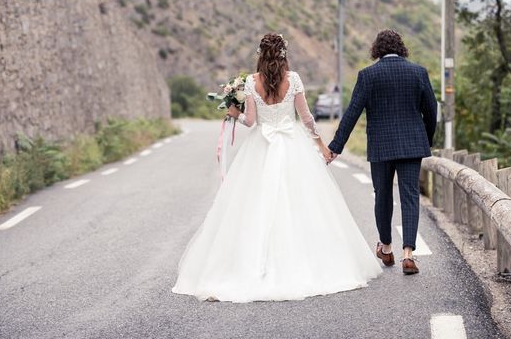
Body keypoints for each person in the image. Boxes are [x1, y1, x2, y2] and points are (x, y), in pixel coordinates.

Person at [172, 33, 381, 302]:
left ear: (260, 54)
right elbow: (306, 117)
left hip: (261, 145)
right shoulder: (292, 79)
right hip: (293, 144)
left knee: (253, 206)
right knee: (303, 204)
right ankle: (306, 263)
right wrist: (321, 146)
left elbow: (250, 121)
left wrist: (233, 113)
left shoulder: (251, 81)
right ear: (284, 54)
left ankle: (251, 266)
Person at [327, 30, 437, 275]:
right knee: (410, 196)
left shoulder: (368, 75)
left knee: (383, 195)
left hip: (380, 145)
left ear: (377, 50)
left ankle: (386, 247)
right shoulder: (418, 72)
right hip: (411, 145)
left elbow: (352, 113)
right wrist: (426, 140)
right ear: (401, 48)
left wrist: (335, 147)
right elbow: (431, 111)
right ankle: (408, 253)